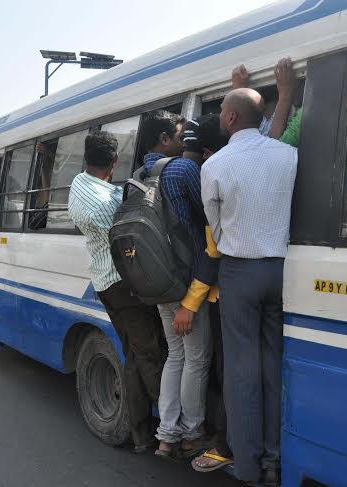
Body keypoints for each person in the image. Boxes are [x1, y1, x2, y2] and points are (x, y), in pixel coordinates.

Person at [201, 87, 298, 486]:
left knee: (241, 372)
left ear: (231, 119)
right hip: (279, 270)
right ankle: (274, 462)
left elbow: (215, 223)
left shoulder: (216, 165)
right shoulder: (287, 154)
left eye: (223, 109)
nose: (221, 114)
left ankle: (246, 465)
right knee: (272, 367)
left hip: (238, 272)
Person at [67, 131, 165, 453]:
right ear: (114, 161)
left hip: (103, 282)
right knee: (148, 354)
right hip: (124, 285)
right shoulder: (111, 202)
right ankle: (166, 431)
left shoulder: (78, 186)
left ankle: (141, 433)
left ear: (85, 159)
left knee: (134, 353)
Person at [140, 110, 215, 461]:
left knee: (176, 355)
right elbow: (210, 216)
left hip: (156, 279)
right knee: (197, 358)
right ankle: (192, 432)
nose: (184, 141)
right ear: (165, 139)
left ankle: (166, 434)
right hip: (188, 281)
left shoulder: (137, 175)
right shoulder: (184, 170)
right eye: (179, 134)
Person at [182, 115, 236, 473]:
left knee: (223, 372)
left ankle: (224, 442)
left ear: (205, 153)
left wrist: (189, 304)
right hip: (255, 285)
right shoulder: (268, 160)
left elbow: (212, 251)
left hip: (223, 294)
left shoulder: (213, 174)